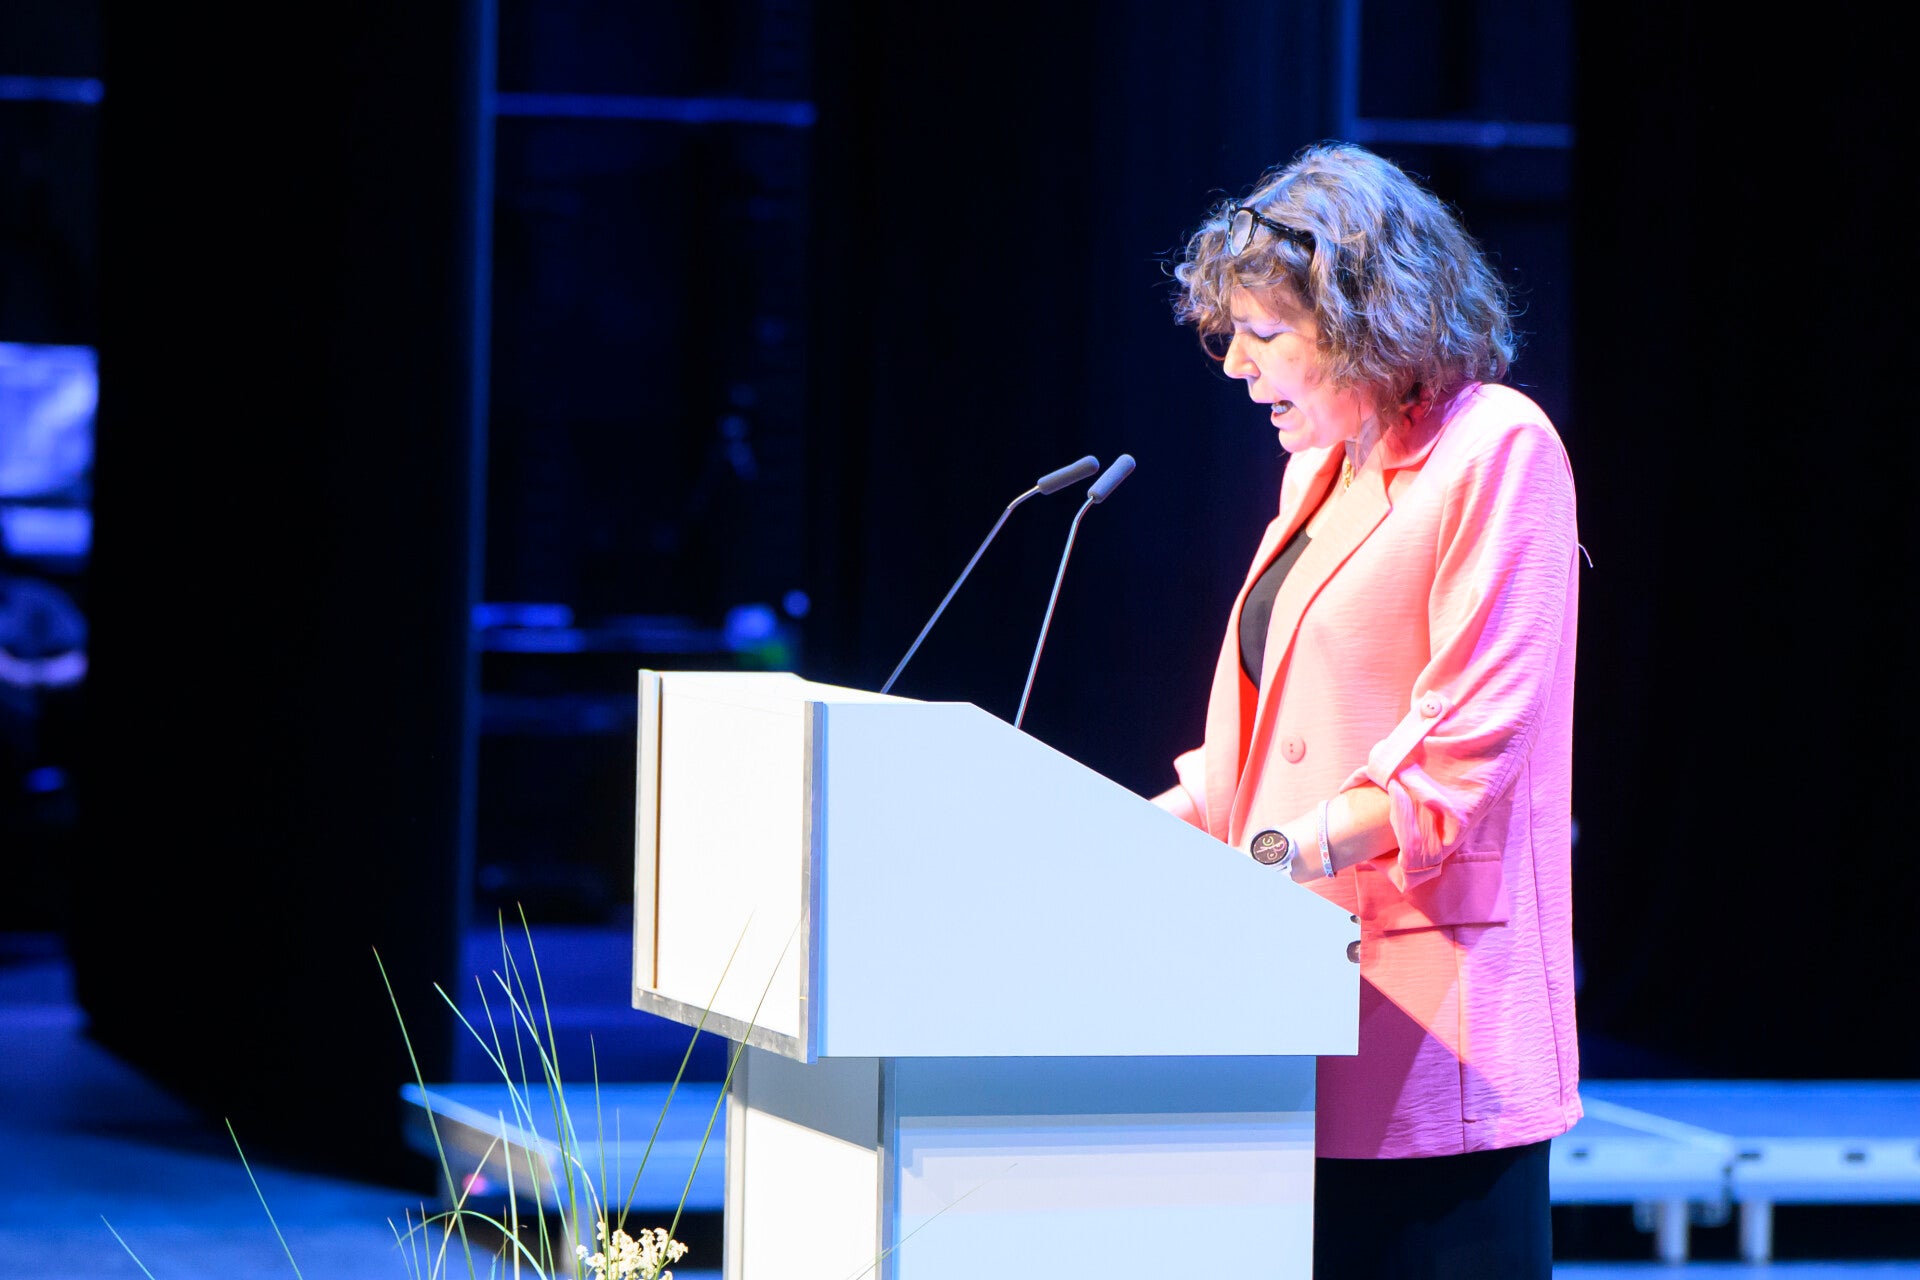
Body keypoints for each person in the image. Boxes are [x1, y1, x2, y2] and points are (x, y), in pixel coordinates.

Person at [1154, 142, 1580, 1279]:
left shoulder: (1497, 447)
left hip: (1433, 1020)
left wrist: (1268, 856)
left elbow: (1465, 744)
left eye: (1263, 332)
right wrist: (1122, 836)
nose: (1235, 364)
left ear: (1362, 322)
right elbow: (1256, 744)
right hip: (1288, 996)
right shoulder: (1320, 469)